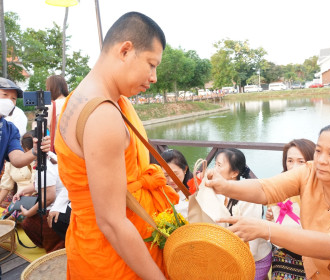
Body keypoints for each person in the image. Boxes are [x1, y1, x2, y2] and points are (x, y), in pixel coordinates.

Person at [54, 12, 179, 279]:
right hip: (117, 258)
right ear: (125, 50)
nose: (154, 76)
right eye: (151, 64)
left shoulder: (81, 97)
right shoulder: (102, 115)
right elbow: (111, 222)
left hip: (99, 244)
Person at [206, 121, 330, 279]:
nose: (321, 161)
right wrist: (223, 186)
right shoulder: (309, 172)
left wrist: (265, 229)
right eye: (318, 151)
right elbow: (265, 189)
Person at [214, 148, 272, 280]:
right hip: (229, 256)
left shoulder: (249, 199)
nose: (215, 169)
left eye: (220, 165)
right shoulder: (217, 194)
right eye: (215, 164)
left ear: (234, 173)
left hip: (253, 260)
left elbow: (252, 244)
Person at [265, 139, 316, 280]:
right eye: (290, 161)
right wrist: (270, 217)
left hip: (312, 252)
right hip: (283, 251)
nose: (294, 167)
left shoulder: (320, 188)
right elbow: (273, 217)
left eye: (301, 162)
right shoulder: (278, 185)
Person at [13, 145, 65, 253]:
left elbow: (48, 198)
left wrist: (28, 213)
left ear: (28, 150)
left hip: (56, 209)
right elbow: (41, 184)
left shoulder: (44, 165)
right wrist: (22, 191)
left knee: (27, 223)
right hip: (59, 202)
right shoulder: (50, 156)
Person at [0, 77, 50, 173]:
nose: (9, 101)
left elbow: (17, 159)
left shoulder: (10, 129)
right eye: (5, 95)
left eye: (13, 98)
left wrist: (35, 151)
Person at [0, 132, 35, 221]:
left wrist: (20, 205)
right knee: (3, 219)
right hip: (18, 199)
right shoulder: (9, 161)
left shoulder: (33, 158)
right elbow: (6, 187)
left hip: (33, 198)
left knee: (11, 219)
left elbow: (34, 186)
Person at [160, 149, 193, 218]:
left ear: (185, 170)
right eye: (166, 175)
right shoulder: (158, 192)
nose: (171, 180)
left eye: (175, 174)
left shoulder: (195, 189)